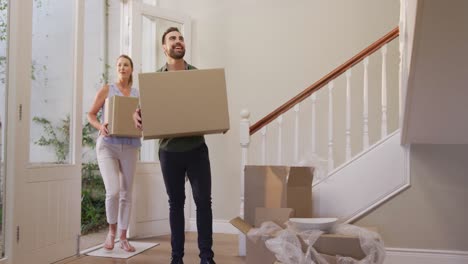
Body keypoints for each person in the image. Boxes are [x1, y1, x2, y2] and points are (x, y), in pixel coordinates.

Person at [133, 27, 216, 264]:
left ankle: (207, 258)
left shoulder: (198, 75)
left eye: (180, 38)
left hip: (197, 149)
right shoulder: (154, 81)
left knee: (203, 203)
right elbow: (143, 112)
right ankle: (176, 259)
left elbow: (210, 106)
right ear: (164, 47)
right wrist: (136, 116)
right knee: (176, 204)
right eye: (172, 39)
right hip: (169, 152)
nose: (178, 41)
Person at [88, 54, 141, 252]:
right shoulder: (107, 90)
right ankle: (111, 233)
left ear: (131, 70)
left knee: (127, 193)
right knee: (113, 191)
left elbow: (144, 119)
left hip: (130, 145)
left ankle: (123, 237)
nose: (122, 67)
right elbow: (91, 114)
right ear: (116, 69)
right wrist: (100, 126)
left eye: (126, 64)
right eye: (119, 64)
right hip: (108, 145)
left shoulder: (137, 94)